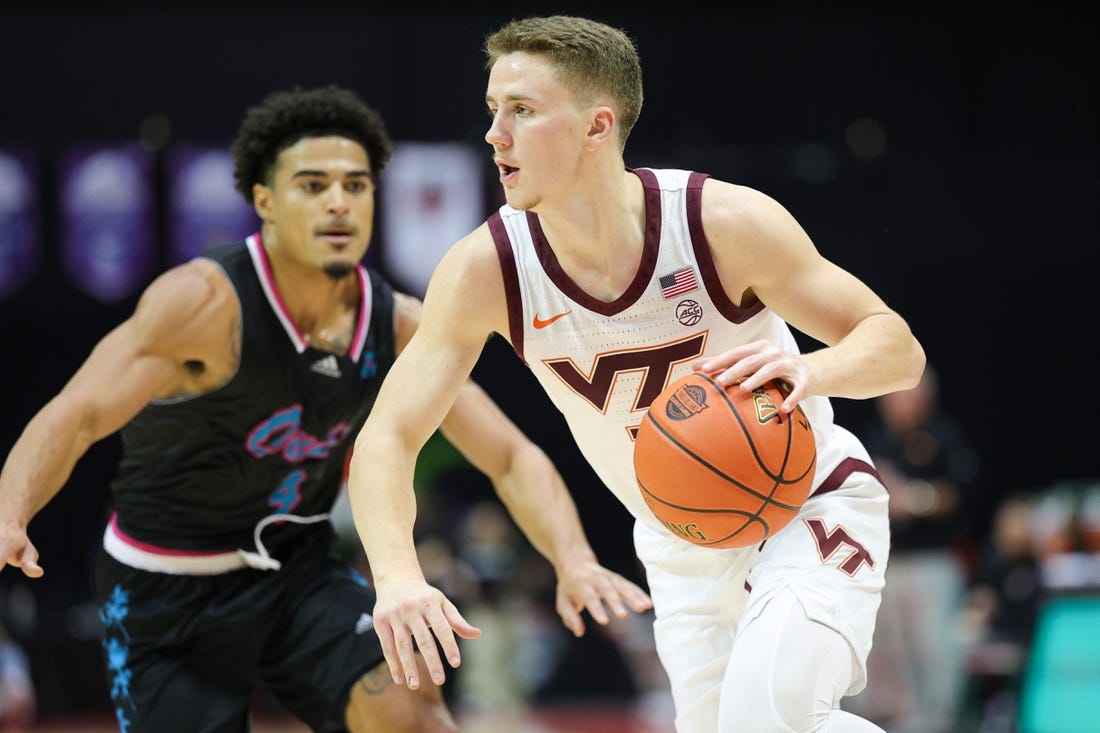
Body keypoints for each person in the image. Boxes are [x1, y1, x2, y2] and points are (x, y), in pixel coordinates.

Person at [0, 84, 652, 733]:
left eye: (356, 184)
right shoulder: (201, 304)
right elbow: (76, 413)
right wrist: (11, 511)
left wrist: (573, 557)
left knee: (412, 717)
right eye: (312, 185)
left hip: (296, 572)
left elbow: (510, 454)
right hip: (166, 583)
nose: (339, 201)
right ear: (265, 203)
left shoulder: (395, 323)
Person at [347, 15, 926, 733]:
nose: (496, 134)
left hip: (805, 501)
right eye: (493, 110)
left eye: (522, 111)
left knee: (767, 716)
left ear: (596, 127)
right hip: (680, 541)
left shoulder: (720, 223)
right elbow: (387, 438)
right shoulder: (484, 270)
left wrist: (811, 367)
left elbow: (897, 347)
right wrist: (398, 575)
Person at [845, 364, 982, 732]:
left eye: (911, 392)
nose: (903, 401)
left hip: (932, 562)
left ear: (926, 396)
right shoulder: (869, 441)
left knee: (934, 653)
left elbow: (962, 496)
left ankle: (940, 724)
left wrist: (912, 498)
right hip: (882, 565)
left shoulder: (945, 436)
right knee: (883, 658)